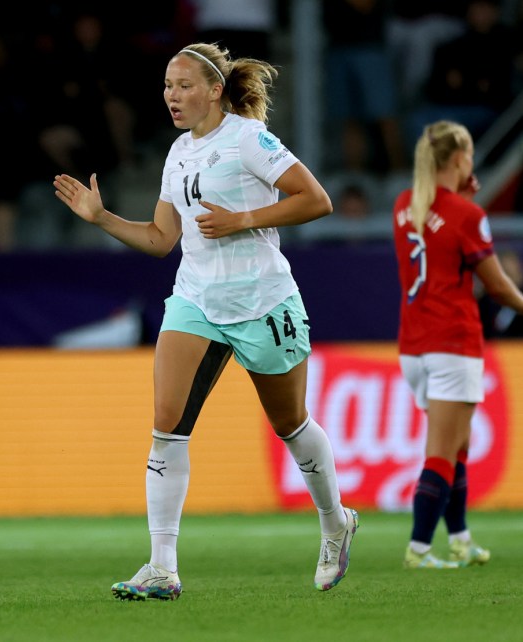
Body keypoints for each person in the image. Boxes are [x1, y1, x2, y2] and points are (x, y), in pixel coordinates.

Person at [53, 42, 357, 600]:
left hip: (261, 300)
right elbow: (160, 239)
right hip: (195, 299)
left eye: (185, 85)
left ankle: (336, 522)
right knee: (167, 425)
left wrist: (244, 217)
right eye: (168, 86)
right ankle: (162, 568)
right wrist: (101, 218)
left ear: (215, 91)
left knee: (290, 424)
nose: (173, 95)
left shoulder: (247, 138)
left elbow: (316, 200)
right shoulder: (177, 153)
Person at [393, 120, 523, 569]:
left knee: (456, 445)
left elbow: (437, 235)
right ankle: (419, 549)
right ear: (460, 159)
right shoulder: (468, 216)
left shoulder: (403, 205)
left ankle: (462, 539)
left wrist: (460, 200)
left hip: (413, 345)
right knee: (443, 453)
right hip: (453, 343)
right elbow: (501, 288)